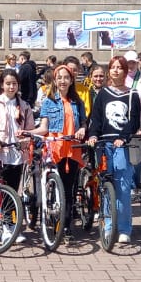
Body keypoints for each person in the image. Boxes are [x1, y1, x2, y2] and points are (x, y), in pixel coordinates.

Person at [87, 55, 141, 244]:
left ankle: (124, 228)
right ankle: (108, 226)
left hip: (122, 145)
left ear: (125, 71)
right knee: (106, 186)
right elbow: (96, 118)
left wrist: (123, 137)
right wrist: (93, 135)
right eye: (113, 67)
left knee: (123, 187)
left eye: (120, 67)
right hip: (104, 144)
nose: (116, 70)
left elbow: (134, 121)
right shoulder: (103, 93)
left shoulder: (132, 94)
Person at [33, 64, 88, 232]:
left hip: (72, 147)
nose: (63, 81)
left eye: (66, 78)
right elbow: (44, 127)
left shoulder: (77, 102)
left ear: (71, 80)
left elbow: (83, 123)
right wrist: (28, 132)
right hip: (55, 147)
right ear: (55, 81)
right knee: (54, 185)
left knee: (68, 188)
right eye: (59, 78)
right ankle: (51, 216)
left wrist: (82, 129)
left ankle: (66, 225)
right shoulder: (48, 101)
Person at [0, 68, 36, 205]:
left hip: (17, 152)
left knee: (13, 189)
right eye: (8, 83)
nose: (11, 87)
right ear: (2, 85)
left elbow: (30, 129)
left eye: (14, 83)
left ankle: (10, 215)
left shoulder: (24, 106)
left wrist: (26, 140)